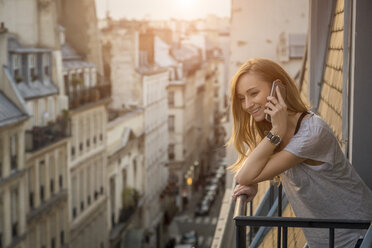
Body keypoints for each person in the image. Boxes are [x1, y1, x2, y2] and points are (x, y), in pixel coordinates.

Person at [228, 58, 372, 248]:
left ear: (277, 88)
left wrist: (276, 132)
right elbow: (249, 174)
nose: (247, 105)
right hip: (325, 240)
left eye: (253, 93)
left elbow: (244, 175)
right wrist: (253, 182)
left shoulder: (312, 132)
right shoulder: (268, 129)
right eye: (241, 98)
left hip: (358, 236)